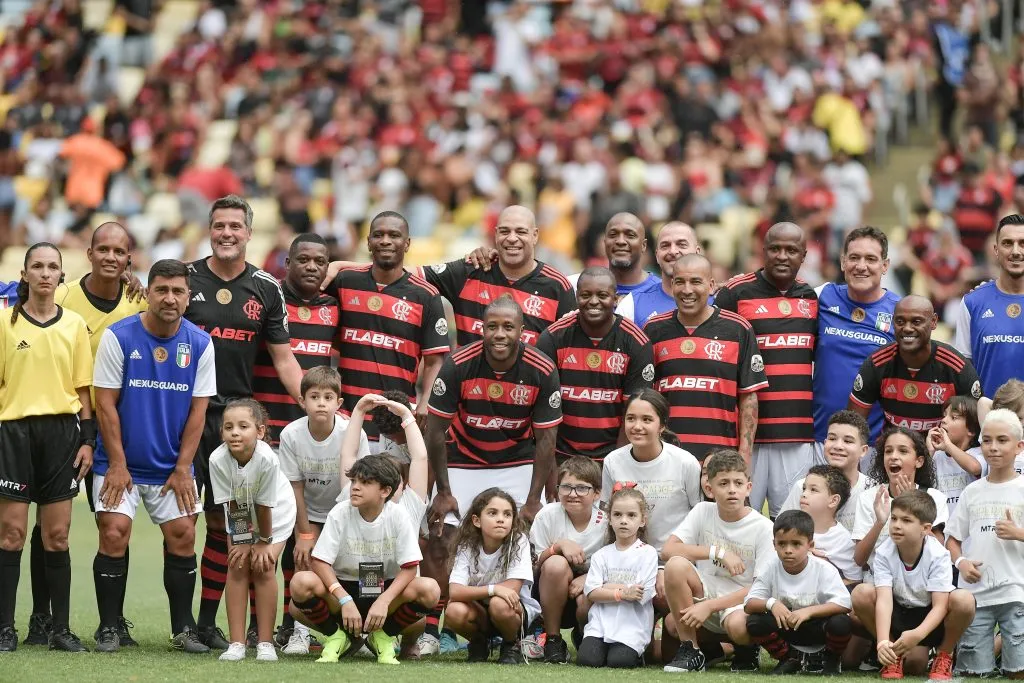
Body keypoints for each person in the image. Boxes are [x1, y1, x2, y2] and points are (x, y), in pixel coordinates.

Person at [184, 195, 304, 649]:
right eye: (219, 225)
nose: (227, 233)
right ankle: (190, 624)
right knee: (183, 524)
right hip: (187, 415)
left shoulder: (265, 287)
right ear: (210, 229)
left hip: (235, 421)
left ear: (250, 233)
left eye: (236, 226)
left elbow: (284, 359)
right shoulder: (186, 278)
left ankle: (226, 625)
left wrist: (315, 405)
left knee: (232, 525)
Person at [27, 221, 147, 648]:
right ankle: (41, 619)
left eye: (120, 251)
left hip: (117, 429)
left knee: (115, 524)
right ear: (90, 254)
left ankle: (111, 622)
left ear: (129, 258)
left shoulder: (138, 302)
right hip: (67, 426)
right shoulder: (63, 296)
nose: (111, 257)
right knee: (49, 524)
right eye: (104, 249)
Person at [90, 258, 216, 653]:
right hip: (119, 462)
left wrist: (183, 468)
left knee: (183, 536)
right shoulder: (119, 336)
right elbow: (105, 404)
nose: (170, 298)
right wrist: (118, 464)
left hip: (171, 467)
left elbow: (199, 411)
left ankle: (183, 629)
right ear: (148, 292)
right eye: (161, 290)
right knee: (114, 534)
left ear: (188, 296)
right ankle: (110, 627)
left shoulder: (199, 343)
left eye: (178, 291)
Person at [0, 243, 94, 652]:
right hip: (14, 433)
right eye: (36, 266)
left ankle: (60, 628)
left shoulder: (74, 325)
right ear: (24, 274)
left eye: (52, 267)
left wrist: (88, 440)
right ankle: (5, 627)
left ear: (60, 276)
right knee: (11, 534)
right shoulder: (5, 322)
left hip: (61, 435)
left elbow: (83, 390)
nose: (44, 273)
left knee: (56, 535)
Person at [288, 455, 439, 665]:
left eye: (365, 482)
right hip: (343, 591)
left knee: (430, 589)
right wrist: (344, 599)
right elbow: (320, 562)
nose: (355, 487)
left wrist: (384, 600)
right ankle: (337, 636)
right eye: (354, 481)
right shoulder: (340, 512)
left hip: (385, 592)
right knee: (300, 583)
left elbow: (410, 567)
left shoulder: (398, 515)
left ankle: (383, 637)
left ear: (385, 491)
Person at [426, 295, 561, 527]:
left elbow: (546, 439)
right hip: (465, 458)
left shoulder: (543, 369)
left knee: (525, 533)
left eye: (508, 327)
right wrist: (444, 492)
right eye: (492, 327)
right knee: (444, 535)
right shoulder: (458, 364)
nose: (499, 334)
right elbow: (435, 431)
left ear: (521, 330)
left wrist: (532, 499)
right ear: (482, 329)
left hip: (517, 461)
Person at [714, 222, 819, 516]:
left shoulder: (809, 297)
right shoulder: (735, 293)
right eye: (775, 249)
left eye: (791, 250)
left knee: (790, 520)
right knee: (736, 517)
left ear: (804, 255)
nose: (782, 256)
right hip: (748, 435)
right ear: (763, 251)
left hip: (796, 433)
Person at [323, 211, 449, 441]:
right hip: (345, 416)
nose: (385, 241)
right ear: (368, 242)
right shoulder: (344, 282)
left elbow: (435, 360)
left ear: (407, 243)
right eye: (378, 235)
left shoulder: (426, 296)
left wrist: (426, 401)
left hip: (396, 419)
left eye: (394, 235)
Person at [276, 366, 369, 654]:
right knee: (305, 560)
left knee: (358, 564)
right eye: (314, 396)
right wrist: (304, 533)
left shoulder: (351, 433)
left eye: (328, 397)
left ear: (339, 403)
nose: (321, 402)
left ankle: (366, 633)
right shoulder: (291, 435)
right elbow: (295, 488)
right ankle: (301, 635)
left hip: (347, 510)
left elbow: (362, 483)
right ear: (302, 401)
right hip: (309, 512)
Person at [661, 449, 776, 674]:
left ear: (748, 488)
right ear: (710, 489)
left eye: (738, 483)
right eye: (723, 483)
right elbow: (668, 550)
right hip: (710, 588)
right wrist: (717, 552)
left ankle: (746, 648)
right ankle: (692, 651)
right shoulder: (703, 511)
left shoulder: (764, 528)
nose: (731, 489)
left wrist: (709, 606)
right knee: (675, 570)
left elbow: (760, 588)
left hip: (742, 601)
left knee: (738, 627)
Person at [645, 253, 768, 462]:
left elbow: (748, 397)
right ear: (671, 285)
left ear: (711, 286)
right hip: (666, 458)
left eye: (695, 282)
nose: (687, 290)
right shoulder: (653, 329)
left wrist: (744, 456)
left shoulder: (738, 329)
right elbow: (644, 398)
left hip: (720, 460)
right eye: (680, 282)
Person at [850, 490, 976, 680]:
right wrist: (883, 641)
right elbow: (884, 601)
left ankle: (944, 654)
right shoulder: (884, 552)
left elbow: (940, 605)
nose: (897, 526)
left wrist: (917, 635)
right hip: (900, 611)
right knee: (861, 593)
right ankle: (892, 655)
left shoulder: (938, 554)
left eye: (906, 521)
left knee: (964, 599)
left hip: (930, 614)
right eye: (894, 519)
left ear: (925, 529)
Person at [536, 266, 654, 463]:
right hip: (561, 456)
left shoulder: (636, 342)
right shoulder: (553, 338)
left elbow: (633, 412)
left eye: (602, 295)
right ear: (576, 297)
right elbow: (543, 410)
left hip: (612, 456)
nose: (593, 301)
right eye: (585, 295)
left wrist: (617, 464)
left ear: (615, 299)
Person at [413, 205, 576, 347]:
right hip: (468, 382)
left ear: (535, 235)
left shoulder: (558, 287)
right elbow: (404, 276)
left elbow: (568, 351)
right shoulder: (470, 270)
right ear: (496, 234)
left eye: (521, 231)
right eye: (505, 231)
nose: (512, 238)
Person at [209, 399, 296, 662]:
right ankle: (236, 643)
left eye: (243, 426)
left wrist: (262, 542)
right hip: (240, 514)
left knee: (264, 567)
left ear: (259, 431)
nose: (234, 432)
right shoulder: (217, 459)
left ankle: (265, 643)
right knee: (236, 565)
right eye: (228, 427)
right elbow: (232, 502)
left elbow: (264, 506)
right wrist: (243, 540)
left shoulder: (268, 459)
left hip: (275, 515)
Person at [946, 409, 1024, 678]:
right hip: (976, 595)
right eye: (987, 440)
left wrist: (1019, 533)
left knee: (1018, 672)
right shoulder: (972, 491)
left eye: (1002, 440)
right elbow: (952, 539)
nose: (993, 447)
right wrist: (961, 562)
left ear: (1019, 447)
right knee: (972, 673)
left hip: (1017, 594)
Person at [813, 227, 900, 445]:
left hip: (871, 444)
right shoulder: (822, 295)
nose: (861, 266)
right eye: (854, 258)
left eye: (871, 259)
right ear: (843, 262)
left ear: (885, 266)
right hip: (819, 438)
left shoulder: (900, 311)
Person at [252, 234, 340, 447]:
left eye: (320, 262)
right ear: (288, 263)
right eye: (303, 260)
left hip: (311, 434)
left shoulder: (334, 306)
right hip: (264, 432)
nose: (311, 267)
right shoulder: (266, 299)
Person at [740, 510, 853, 675]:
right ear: (774, 545)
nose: (788, 550)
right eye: (782, 544)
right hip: (788, 627)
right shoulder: (771, 568)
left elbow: (845, 603)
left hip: (818, 628)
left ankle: (831, 658)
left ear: (811, 545)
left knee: (841, 622)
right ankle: (789, 658)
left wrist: (808, 612)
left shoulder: (824, 569)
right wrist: (772, 604)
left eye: (796, 544)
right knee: (755, 621)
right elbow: (749, 604)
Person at [849, 295, 981, 433]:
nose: (907, 328)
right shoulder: (877, 363)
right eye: (900, 321)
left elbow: (973, 432)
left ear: (934, 321)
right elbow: (852, 426)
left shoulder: (956, 367)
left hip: (942, 452)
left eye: (916, 322)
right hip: (893, 451)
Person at [445, 488, 540, 666]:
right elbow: (455, 591)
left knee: (499, 604)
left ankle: (512, 644)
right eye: (492, 513)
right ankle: (479, 641)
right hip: (480, 610)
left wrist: (488, 593)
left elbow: (512, 590)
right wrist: (493, 588)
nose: (500, 519)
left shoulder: (519, 541)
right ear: (476, 520)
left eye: (507, 514)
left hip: (512, 611)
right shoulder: (466, 545)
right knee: (454, 611)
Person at [601, 389, 702, 552]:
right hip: (626, 555)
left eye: (647, 419)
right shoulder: (612, 461)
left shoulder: (686, 463)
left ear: (661, 425)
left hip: (672, 558)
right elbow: (605, 512)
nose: (637, 426)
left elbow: (699, 515)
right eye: (631, 418)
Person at [530, 456, 607, 663]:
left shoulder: (607, 522)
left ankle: (585, 634)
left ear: (597, 493)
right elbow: (533, 565)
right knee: (556, 563)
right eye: (566, 487)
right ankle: (553, 639)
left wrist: (589, 577)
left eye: (582, 488)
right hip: (548, 592)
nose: (573, 494)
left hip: (588, 592)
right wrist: (557, 547)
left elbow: (617, 564)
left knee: (586, 598)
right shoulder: (547, 515)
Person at [578, 486, 659, 669]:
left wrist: (606, 586)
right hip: (600, 623)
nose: (623, 521)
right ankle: (587, 639)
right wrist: (622, 593)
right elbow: (591, 591)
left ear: (642, 520)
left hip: (631, 627)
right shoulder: (602, 555)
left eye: (631, 515)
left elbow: (640, 593)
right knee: (588, 660)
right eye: (617, 515)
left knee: (620, 662)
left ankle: (640, 651)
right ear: (610, 519)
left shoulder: (648, 553)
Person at [852, 428, 948, 571]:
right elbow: (859, 560)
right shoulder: (870, 497)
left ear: (919, 461)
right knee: (863, 591)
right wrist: (880, 522)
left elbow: (939, 548)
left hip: (921, 579)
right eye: (888, 451)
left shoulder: (934, 497)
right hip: (879, 579)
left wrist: (911, 502)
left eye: (903, 451)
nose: (893, 456)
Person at [955, 214, 1024, 396]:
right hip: (988, 420)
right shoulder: (972, 303)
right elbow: (963, 373)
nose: (1016, 251)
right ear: (996, 250)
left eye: (1022, 243)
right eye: (1008, 243)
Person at [779, 410, 876, 532]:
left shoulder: (873, 489)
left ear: (863, 451)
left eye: (848, 441)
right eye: (832, 438)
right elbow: (781, 533)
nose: (838, 446)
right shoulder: (803, 487)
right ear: (825, 443)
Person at [618, 222, 703, 327]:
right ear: (657, 255)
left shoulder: (717, 300)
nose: (673, 251)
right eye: (665, 245)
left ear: (697, 252)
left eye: (681, 244)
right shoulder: (632, 304)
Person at [567, 212, 660, 301]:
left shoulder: (662, 291)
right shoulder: (578, 287)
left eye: (630, 235)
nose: (620, 241)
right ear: (605, 243)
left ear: (643, 245)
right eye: (613, 235)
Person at [797, 465, 861, 584]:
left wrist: (825, 567)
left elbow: (854, 579)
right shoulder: (792, 528)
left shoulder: (843, 540)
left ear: (833, 501)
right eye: (804, 488)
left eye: (813, 490)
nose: (804, 494)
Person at [928, 396, 984, 520]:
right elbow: (920, 481)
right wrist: (930, 452)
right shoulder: (936, 455)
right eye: (944, 415)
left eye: (953, 417)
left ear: (971, 430)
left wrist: (948, 446)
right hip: (941, 528)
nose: (943, 420)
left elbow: (975, 468)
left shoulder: (978, 453)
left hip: (968, 532)